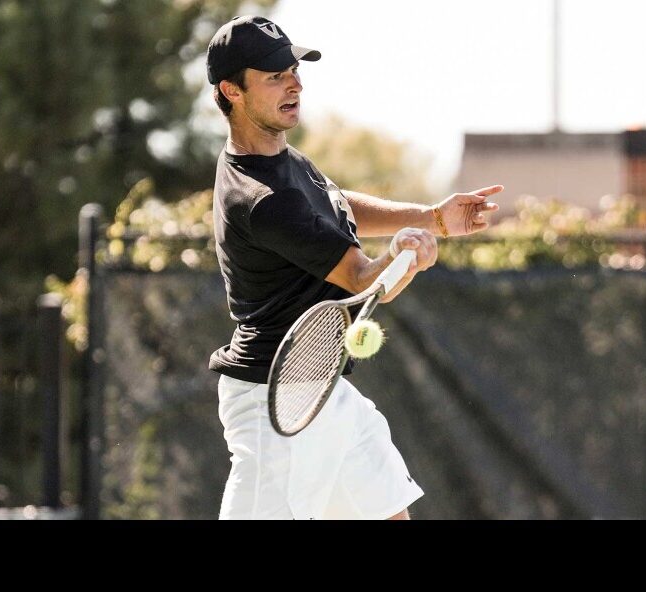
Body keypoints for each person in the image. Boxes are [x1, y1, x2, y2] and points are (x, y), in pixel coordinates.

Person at [206, 15, 503, 519]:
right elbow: (365, 281)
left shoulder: (283, 159)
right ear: (231, 90)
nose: (295, 83)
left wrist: (431, 219)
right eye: (275, 75)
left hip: (324, 389)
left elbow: (335, 204)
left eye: (294, 69)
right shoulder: (260, 200)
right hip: (272, 405)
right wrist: (405, 254)